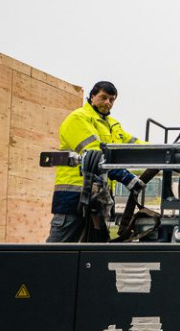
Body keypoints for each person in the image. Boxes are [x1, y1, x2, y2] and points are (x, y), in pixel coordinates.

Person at [47, 80, 145, 242]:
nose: (108, 102)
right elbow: (95, 155)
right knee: (59, 249)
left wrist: (167, 152)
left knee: (92, 251)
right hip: (73, 195)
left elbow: (136, 146)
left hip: (98, 199)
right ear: (92, 96)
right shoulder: (78, 118)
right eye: (103, 97)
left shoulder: (112, 125)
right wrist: (126, 177)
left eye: (111, 100)